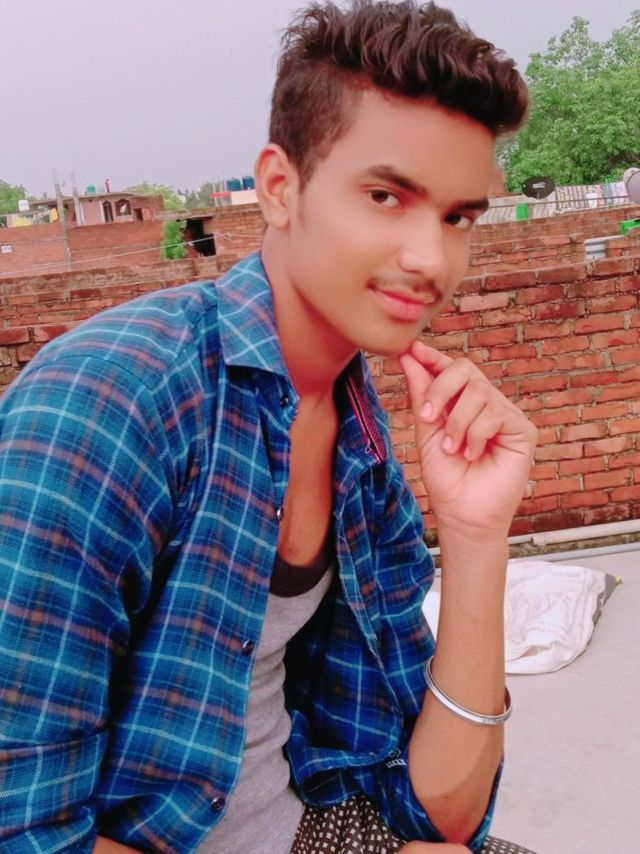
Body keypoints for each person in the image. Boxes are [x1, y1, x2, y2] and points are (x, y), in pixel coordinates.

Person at [0, 2, 536, 852]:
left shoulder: (357, 437)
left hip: (309, 827)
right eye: (386, 196)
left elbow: (441, 815)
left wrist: (477, 537)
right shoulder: (113, 403)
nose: (431, 260)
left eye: (457, 218)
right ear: (281, 188)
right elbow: (23, 827)